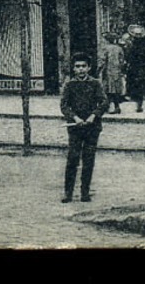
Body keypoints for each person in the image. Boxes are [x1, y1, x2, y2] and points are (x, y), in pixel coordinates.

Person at [59, 53, 108, 203]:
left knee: (88, 159)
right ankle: (68, 192)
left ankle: (85, 192)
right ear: (73, 69)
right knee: (73, 158)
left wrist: (94, 115)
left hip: (92, 127)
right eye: (77, 66)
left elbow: (104, 102)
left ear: (89, 68)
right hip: (75, 127)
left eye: (83, 66)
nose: (81, 69)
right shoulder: (69, 85)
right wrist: (75, 118)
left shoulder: (95, 84)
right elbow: (64, 106)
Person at [123, 22, 145, 112]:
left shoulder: (133, 46)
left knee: (136, 86)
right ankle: (139, 104)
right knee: (140, 85)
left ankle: (138, 104)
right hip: (142, 68)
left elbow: (129, 57)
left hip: (135, 68)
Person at [98, 31, 126, 114]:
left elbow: (102, 60)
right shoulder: (119, 48)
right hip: (117, 71)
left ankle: (108, 106)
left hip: (108, 71)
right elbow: (122, 60)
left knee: (108, 90)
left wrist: (99, 70)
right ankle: (115, 107)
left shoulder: (105, 48)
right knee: (115, 90)